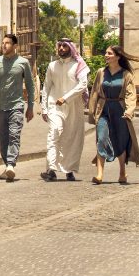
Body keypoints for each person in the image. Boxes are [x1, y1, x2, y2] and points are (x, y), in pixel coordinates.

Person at [0, 33, 37, 182]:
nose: (4, 45)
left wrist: (30, 107)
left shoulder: (23, 63)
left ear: (15, 46)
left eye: (8, 43)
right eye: (3, 43)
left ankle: (11, 164)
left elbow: (30, 86)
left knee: (14, 136)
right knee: (3, 140)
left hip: (16, 106)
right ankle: (7, 167)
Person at [40, 38, 89, 181]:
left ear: (71, 48)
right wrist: (44, 108)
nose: (61, 48)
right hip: (54, 106)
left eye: (64, 46)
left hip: (74, 107)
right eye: (59, 45)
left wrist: (66, 98)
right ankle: (51, 169)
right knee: (54, 134)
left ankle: (69, 170)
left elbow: (83, 85)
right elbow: (46, 87)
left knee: (71, 138)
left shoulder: (79, 66)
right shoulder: (52, 66)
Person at [89, 44, 135, 185]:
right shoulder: (101, 72)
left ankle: (122, 172)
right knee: (101, 139)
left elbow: (130, 95)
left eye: (109, 53)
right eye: (106, 53)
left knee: (120, 141)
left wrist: (129, 111)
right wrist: (92, 112)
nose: (106, 55)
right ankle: (99, 174)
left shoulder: (126, 75)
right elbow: (95, 92)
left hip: (120, 110)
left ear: (118, 56)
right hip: (103, 109)